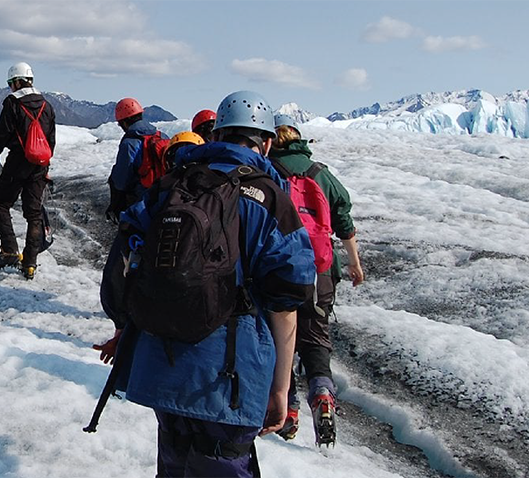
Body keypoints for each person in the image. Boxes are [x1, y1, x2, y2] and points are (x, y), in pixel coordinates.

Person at [97, 91, 315, 478]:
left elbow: (124, 260)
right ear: (265, 142)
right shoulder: (268, 198)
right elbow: (287, 298)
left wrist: (124, 327)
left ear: (216, 135)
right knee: (223, 463)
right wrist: (281, 389)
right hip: (230, 376)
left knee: (175, 463)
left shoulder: (171, 184)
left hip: (162, 361)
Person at [268, 113, 364, 446]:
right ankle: (322, 394)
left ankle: (288, 410)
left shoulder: (267, 171)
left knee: (281, 339)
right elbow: (343, 219)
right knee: (316, 336)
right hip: (322, 271)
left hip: (280, 270)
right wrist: (353, 263)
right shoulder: (320, 173)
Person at [0, 62, 56, 279]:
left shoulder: (13, 103)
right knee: (34, 214)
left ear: (16, 81)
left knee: (0, 203)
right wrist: (45, 164)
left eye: (10, 83)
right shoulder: (47, 105)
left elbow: (3, 134)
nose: (10, 88)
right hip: (40, 164)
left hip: (18, 162)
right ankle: (30, 263)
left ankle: (9, 251)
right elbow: (51, 139)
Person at [106, 97, 162, 222]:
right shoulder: (161, 136)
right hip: (164, 196)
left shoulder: (130, 143)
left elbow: (120, 180)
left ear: (125, 122)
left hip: (141, 203)